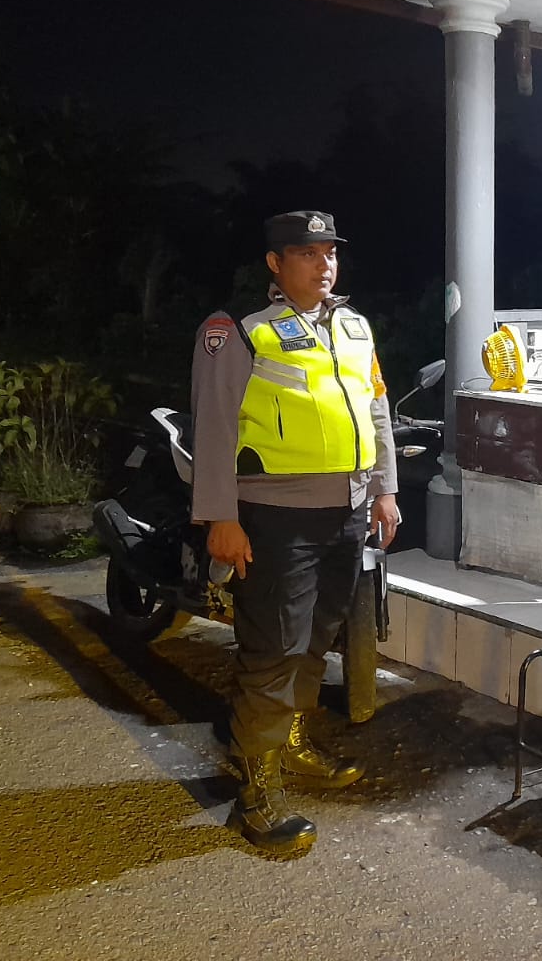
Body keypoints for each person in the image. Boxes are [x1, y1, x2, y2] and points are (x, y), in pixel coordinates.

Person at [192, 210, 400, 855]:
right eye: (307, 253)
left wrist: (385, 488)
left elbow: (375, 405)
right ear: (275, 263)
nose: (324, 264)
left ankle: (291, 745)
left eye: (329, 252)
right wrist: (221, 517)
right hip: (275, 517)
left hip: (347, 512)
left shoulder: (354, 325)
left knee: (314, 641)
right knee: (274, 650)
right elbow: (214, 427)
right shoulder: (240, 330)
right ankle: (256, 793)